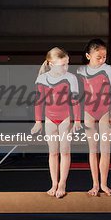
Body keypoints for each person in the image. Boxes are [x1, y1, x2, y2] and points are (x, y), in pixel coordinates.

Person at [31, 47, 82, 198]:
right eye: (62, 65)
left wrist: (77, 120)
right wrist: (38, 122)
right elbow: (39, 102)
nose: (66, 68)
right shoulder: (42, 79)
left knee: (65, 152)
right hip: (49, 119)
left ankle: (62, 183)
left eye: (67, 64)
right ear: (51, 64)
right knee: (53, 153)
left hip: (65, 118)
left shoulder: (71, 78)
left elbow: (75, 101)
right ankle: (54, 183)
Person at [77, 39, 111, 196]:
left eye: (104, 57)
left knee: (105, 150)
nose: (102, 60)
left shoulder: (109, 71)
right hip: (88, 112)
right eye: (98, 57)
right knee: (93, 150)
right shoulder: (81, 71)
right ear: (88, 56)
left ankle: (104, 184)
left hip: (105, 111)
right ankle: (95, 184)